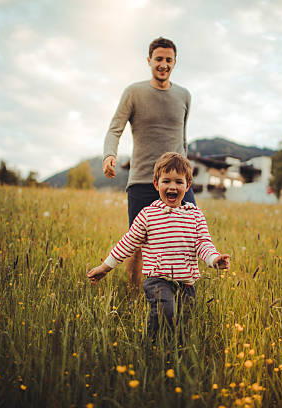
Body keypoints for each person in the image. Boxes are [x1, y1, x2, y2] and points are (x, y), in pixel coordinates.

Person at [87, 153, 230, 340]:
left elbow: (203, 243)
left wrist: (214, 259)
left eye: (179, 182)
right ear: (156, 184)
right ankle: (152, 344)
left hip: (187, 283)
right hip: (158, 279)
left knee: (183, 323)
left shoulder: (195, 215)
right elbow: (128, 243)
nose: (172, 186)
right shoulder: (148, 215)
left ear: (188, 186)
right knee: (165, 310)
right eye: (166, 181)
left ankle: (175, 352)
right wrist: (105, 267)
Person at [102, 37, 196, 289]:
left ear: (175, 62)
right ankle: (135, 296)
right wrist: (109, 154)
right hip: (143, 179)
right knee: (136, 242)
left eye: (168, 60)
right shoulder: (134, 92)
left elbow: (183, 139)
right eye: (159, 59)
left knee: (187, 236)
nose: (163, 64)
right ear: (149, 61)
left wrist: (187, 177)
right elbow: (115, 129)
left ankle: (182, 292)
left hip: (179, 181)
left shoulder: (184, 95)